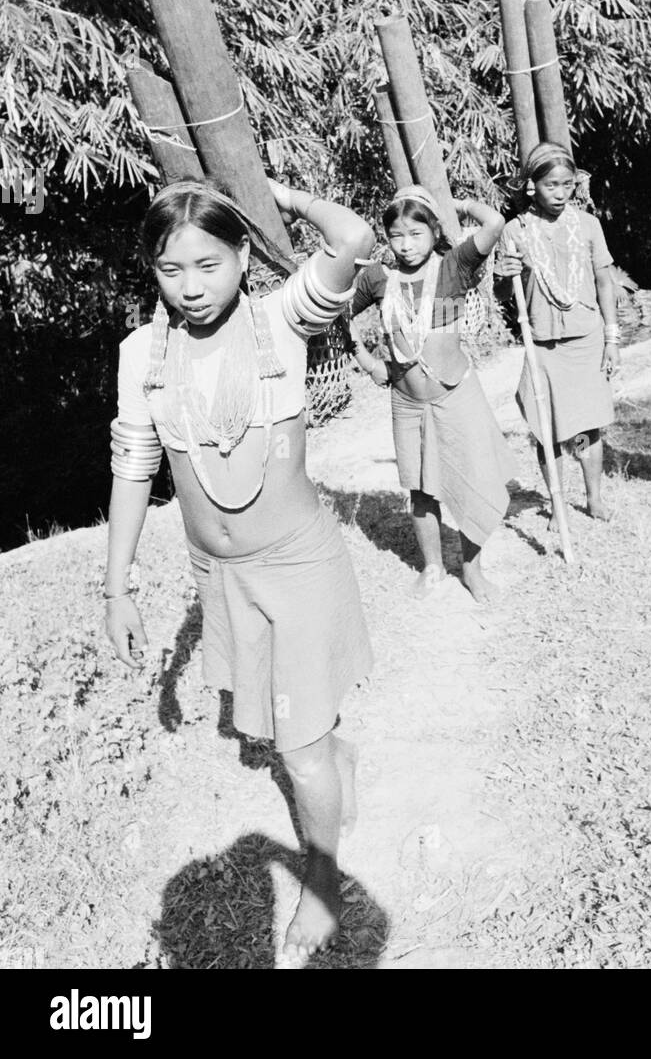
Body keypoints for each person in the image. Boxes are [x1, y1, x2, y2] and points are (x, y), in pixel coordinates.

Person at [104, 178, 375, 968]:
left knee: (295, 750)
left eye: (208, 264)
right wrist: (117, 588)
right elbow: (132, 465)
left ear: (242, 255)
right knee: (290, 726)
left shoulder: (281, 320)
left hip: (297, 565)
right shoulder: (140, 355)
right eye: (169, 269)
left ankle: (322, 887)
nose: (191, 287)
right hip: (219, 577)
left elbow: (352, 236)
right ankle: (332, 753)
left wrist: (269, 190)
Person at [348, 185, 512, 603]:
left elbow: (494, 222)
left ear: (434, 230)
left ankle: (472, 570)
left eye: (416, 234)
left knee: (472, 477)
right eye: (396, 236)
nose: (405, 246)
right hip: (407, 402)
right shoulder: (378, 278)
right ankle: (433, 566)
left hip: (455, 394)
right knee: (420, 489)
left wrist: (456, 203)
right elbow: (334, 312)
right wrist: (370, 364)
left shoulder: (453, 266)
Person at [498, 144, 620, 525]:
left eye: (567, 184)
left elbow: (604, 280)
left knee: (584, 426)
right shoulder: (514, 231)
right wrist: (505, 274)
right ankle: (557, 504)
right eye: (552, 185)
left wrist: (613, 340)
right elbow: (505, 295)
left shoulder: (587, 225)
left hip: (585, 340)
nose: (561, 193)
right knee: (547, 428)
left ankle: (594, 497)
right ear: (532, 186)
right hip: (543, 346)